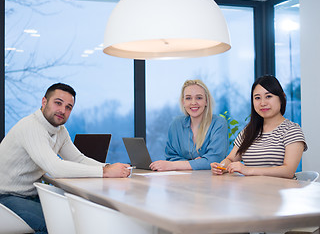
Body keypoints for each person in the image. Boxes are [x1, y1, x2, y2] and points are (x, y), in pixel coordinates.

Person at [0, 83, 130, 233]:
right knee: (59, 224)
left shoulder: (60, 131)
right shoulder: (31, 126)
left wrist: (110, 167)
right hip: (6, 197)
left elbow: (78, 159)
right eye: (58, 103)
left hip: (29, 196)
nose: (63, 110)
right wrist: (105, 172)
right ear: (44, 102)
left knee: (76, 216)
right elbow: (55, 168)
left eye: (68, 107)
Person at [211, 75, 307, 179]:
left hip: (278, 192)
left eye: (268, 96)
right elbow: (230, 159)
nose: (263, 103)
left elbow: (288, 171)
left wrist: (248, 170)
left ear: (282, 97)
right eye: (257, 98)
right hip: (250, 191)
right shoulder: (249, 131)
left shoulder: (292, 130)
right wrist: (221, 166)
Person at [150, 79, 228, 171]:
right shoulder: (176, 124)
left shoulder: (219, 124)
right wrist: (195, 163)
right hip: (182, 181)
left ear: (206, 101)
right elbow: (171, 157)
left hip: (210, 182)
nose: (193, 102)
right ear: (183, 102)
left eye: (199, 98)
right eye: (188, 98)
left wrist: (175, 165)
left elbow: (214, 161)